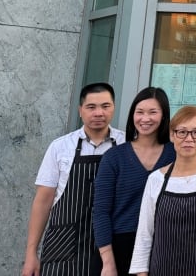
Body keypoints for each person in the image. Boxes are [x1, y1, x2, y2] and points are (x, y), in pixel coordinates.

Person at [22, 82, 124, 276]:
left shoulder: (125, 145)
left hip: (110, 247)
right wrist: (31, 253)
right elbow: (43, 202)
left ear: (114, 108)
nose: (99, 113)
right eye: (91, 107)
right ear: (80, 110)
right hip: (63, 246)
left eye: (105, 106)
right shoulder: (60, 147)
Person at [129, 105, 196, 276]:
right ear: (172, 135)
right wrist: (141, 273)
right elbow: (144, 235)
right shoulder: (155, 179)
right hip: (162, 269)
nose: (189, 138)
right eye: (182, 132)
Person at [93, 87, 176, 275]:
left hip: (165, 245)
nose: (145, 119)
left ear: (164, 115)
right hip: (120, 246)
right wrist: (108, 261)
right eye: (139, 112)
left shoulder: (176, 154)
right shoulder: (114, 157)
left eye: (153, 112)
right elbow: (101, 212)